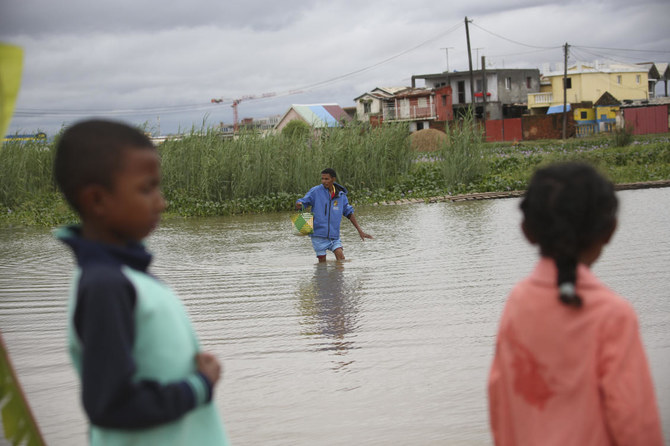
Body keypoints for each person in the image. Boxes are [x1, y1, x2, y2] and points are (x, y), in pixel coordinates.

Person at [53, 119, 229, 445]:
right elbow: (112, 405)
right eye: (147, 189)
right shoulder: (106, 285)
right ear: (96, 201)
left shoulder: (129, 277)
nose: (160, 202)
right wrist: (199, 385)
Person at [488, 162, 664, 446]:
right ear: (609, 230)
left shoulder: (518, 302)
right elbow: (636, 423)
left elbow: (500, 398)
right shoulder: (612, 315)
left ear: (526, 231)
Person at [296, 168, 372, 262]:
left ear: (333, 179)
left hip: (334, 235)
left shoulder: (341, 195)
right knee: (322, 265)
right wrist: (299, 204)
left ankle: (337, 277)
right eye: (322, 179)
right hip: (318, 235)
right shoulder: (315, 191)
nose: (324, 181)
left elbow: (349, 213)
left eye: (326, 179)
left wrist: (360, 230)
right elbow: (303, 202)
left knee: (341, 259)